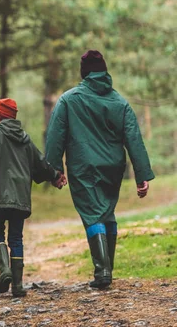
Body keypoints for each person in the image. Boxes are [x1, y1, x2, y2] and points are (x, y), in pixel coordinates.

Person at [45, 50, 154, 289]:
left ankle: (103, 271)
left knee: (93, 213)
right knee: (106, 212)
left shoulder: (68, 100)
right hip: (114, 166)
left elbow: (55, 137)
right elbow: (134, 139)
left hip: (83, 166)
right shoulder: (120, 102)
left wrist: (53, 171)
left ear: (84, 73)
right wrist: (142, 175)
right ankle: (108, 269)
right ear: (104, 71)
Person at [0, 98, 66, 297]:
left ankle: (5, 271)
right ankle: (18, 286)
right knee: (16, 238)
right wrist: (55, 176)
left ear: (0, 117)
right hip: (20, 198)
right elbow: (40, 163)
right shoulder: (25, 138)